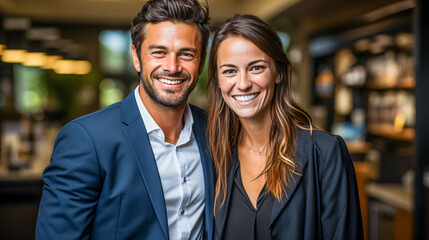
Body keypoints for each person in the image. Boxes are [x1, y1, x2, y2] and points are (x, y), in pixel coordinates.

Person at [36, 0, 213, 239]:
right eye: (159, 52)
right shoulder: (86, 138)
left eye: (186, 54)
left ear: (201, 62)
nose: (172, 67)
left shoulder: (215, 129)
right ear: (136, 57)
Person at [207, 15, 363, 240]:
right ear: (219, 80)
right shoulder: (214, 157)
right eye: (229, 71)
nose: (242, 84)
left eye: (256, 68)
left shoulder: (326, 153)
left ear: (278, 73)